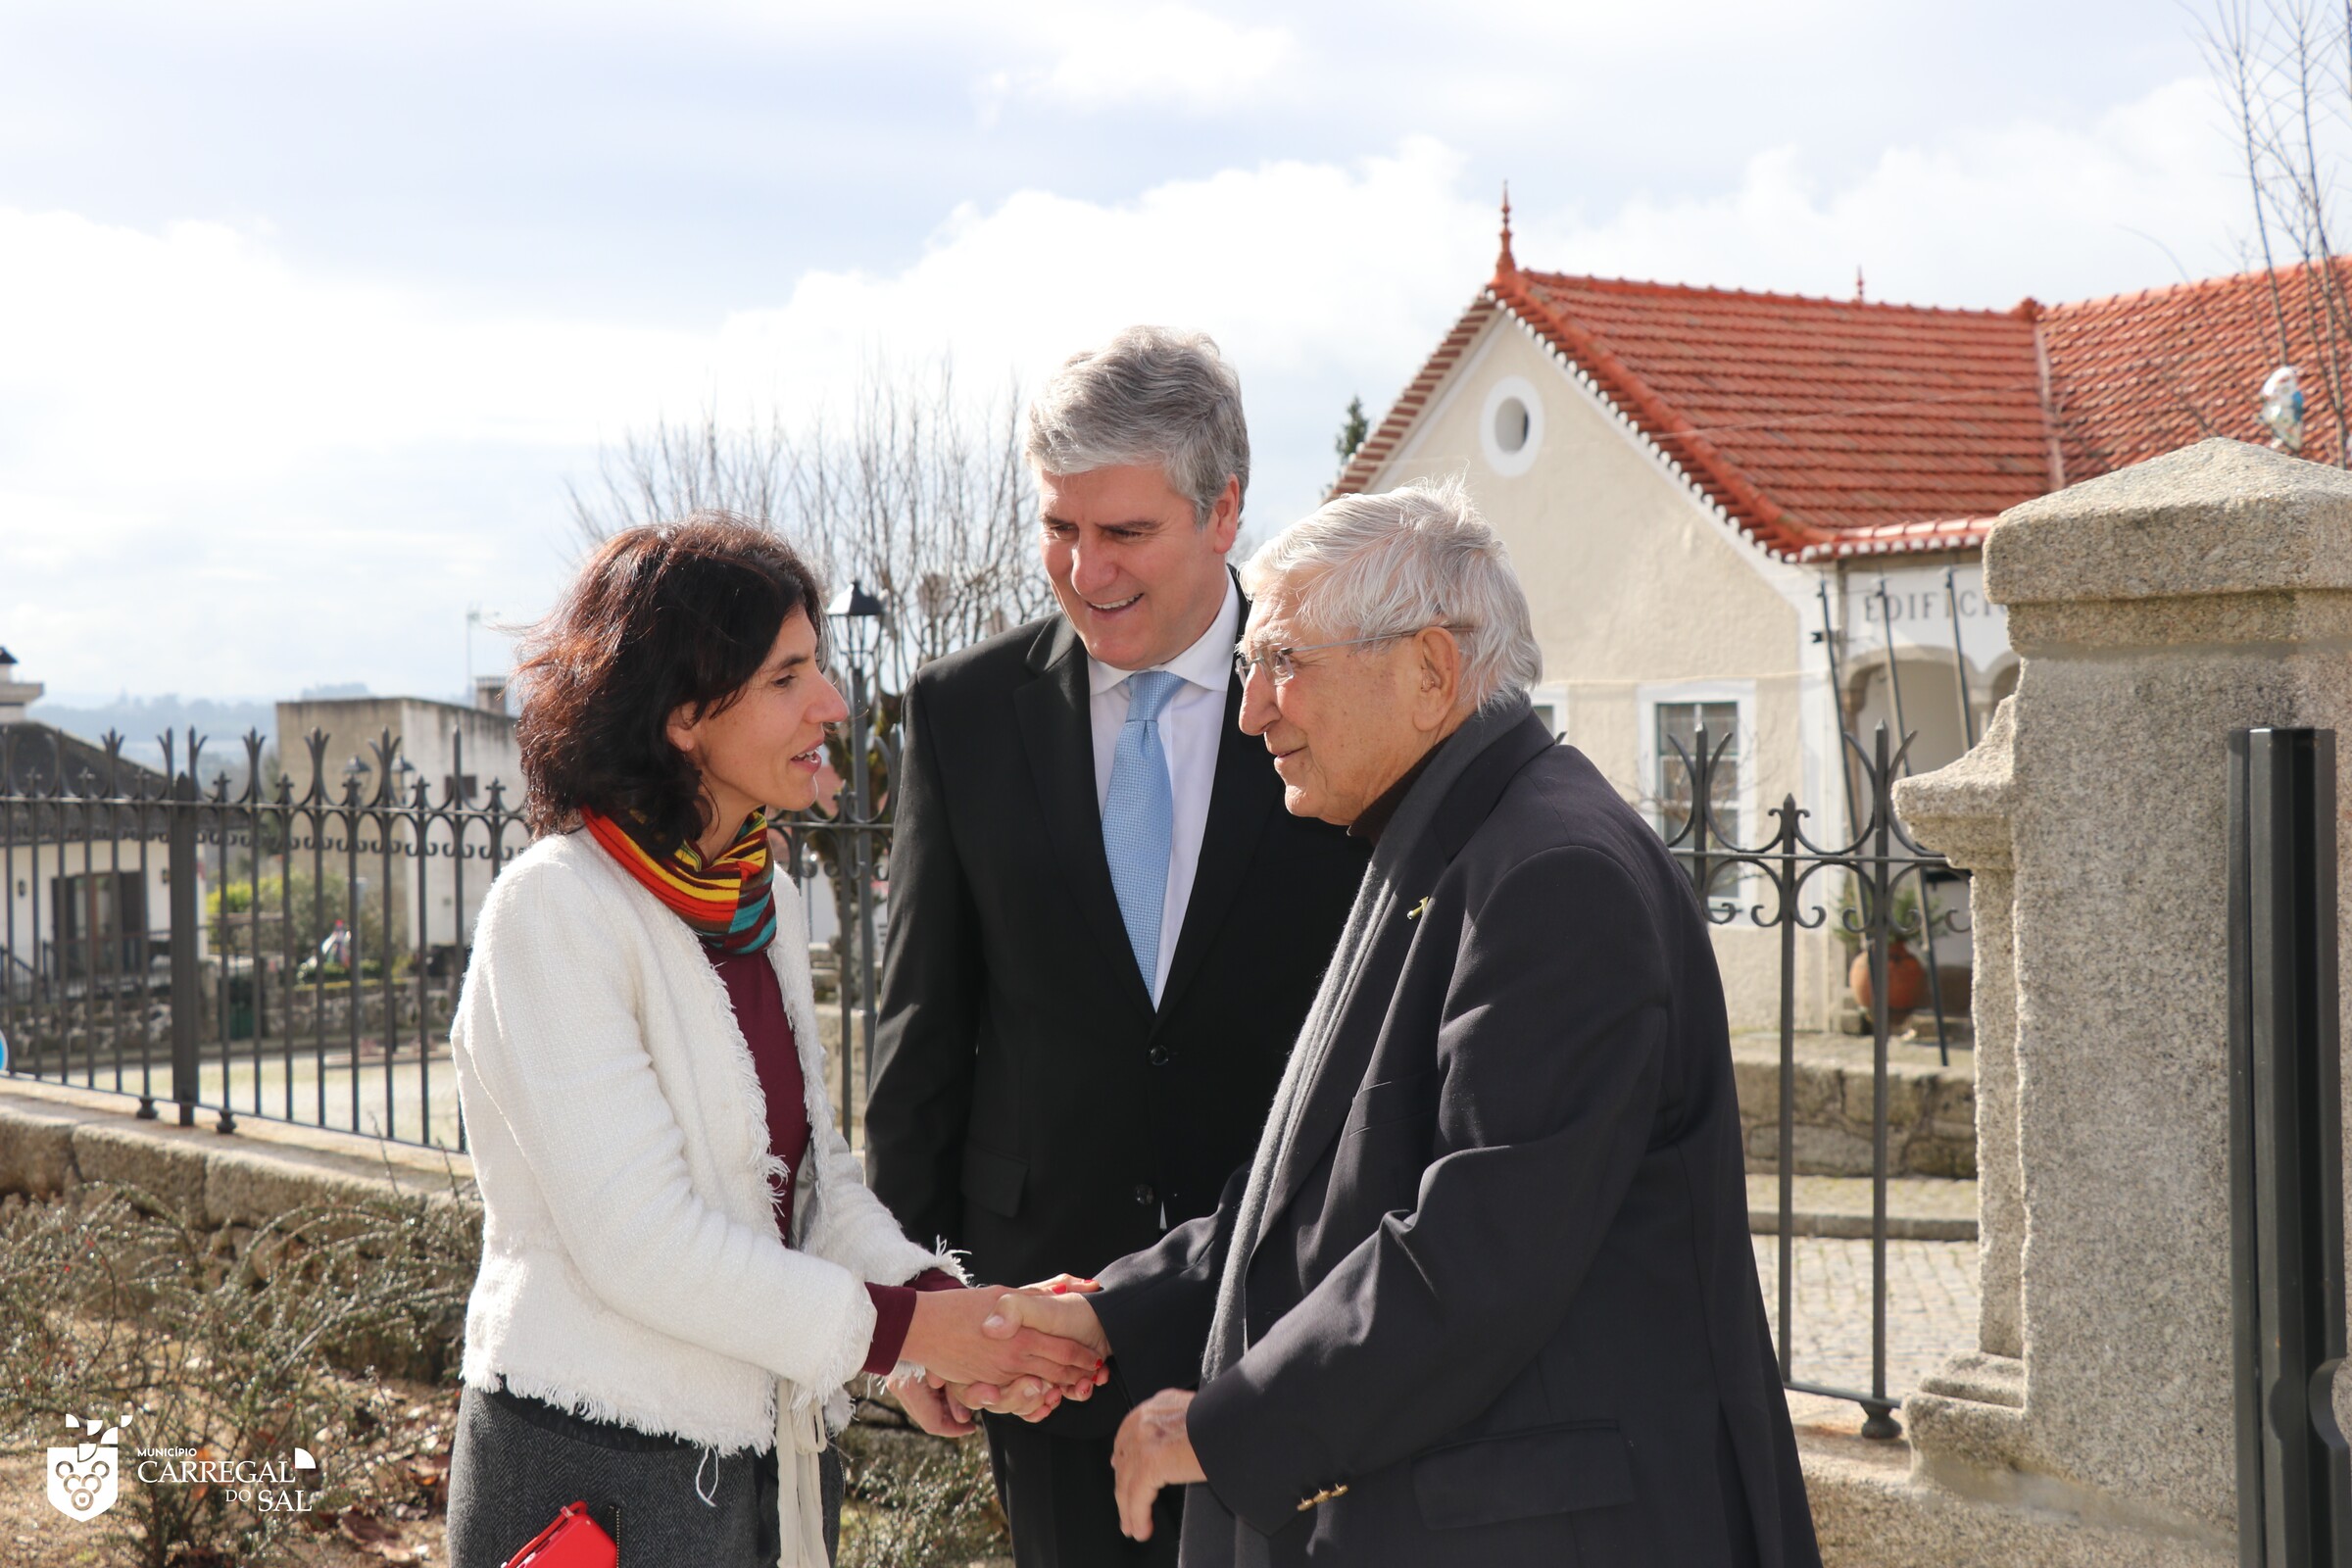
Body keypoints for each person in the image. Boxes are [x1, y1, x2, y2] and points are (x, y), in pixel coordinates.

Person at [991, 480, 1824, 1567]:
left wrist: (1219, 1427)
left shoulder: (1551, 874)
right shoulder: (1447, 841)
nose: (1252, 711)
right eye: (1249, 666)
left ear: (1431, 671)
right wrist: (1113, 1312)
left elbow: (1477, 1257)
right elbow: (1316, 1190)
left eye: (1283, 661)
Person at [443, 516, 1104, 1568]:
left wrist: (947, 1317)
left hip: (767, 1469)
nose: (831, 704)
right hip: (594, 1484)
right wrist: (909, 1332)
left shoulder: (766, 900)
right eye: (787, 677)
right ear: (683, 714)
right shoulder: (555, 911)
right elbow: (642, 1244)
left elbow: (814, 1189)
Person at [862, 327, 1368, 1566]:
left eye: (1126, 531)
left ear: (1224, 510)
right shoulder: (962, 714)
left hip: (1290, 1315)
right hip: (1042, 1343)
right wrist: (912, 1309)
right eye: (1059, 527)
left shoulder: (1338, 698)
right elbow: (922, 1027)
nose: (1086, 571)